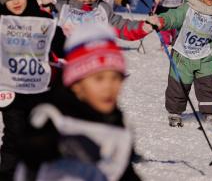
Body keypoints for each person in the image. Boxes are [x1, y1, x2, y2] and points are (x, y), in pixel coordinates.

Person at [16, 24, 142, 181]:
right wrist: (56, 146)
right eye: (99, 79)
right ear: (76, 85)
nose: (109, 87)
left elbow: (122, 172)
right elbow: (30, 148)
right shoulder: (52, 115)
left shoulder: (118, 123)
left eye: (116, 78)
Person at [0, 0, 66, 180]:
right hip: (10, 92)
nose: (16, 1)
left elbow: (59, 45)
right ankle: (8, 174)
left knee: (41, 132)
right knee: (14, 135)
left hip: (41, 88)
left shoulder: (43, 20)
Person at [146, 0, 212, 129]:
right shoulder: (188, 8)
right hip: (183, 55)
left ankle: (210, 114)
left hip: (206, 56)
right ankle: (175, 113)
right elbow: (173, 16)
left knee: (208, 86)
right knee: (178, 85)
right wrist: (161, 21)